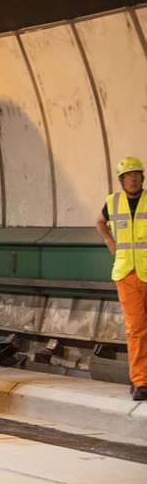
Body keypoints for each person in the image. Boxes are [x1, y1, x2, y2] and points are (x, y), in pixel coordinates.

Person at [96, 156, 147, 401]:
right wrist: (110, 243)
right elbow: (100, 223)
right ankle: (140, 381)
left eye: (137, 174)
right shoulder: (113, 202)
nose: (133, 179)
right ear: (122, 180)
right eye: (129, 175)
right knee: (136, 329)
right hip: (127, 274)